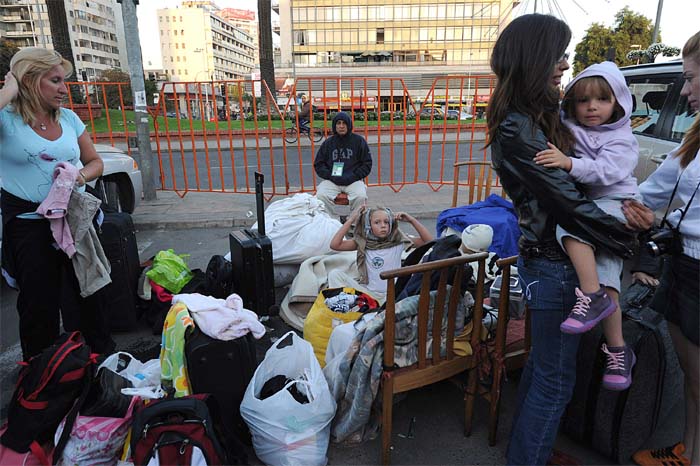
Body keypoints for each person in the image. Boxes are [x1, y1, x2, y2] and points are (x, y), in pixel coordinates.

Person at [486, 14, 637, 465]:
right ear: (534, 59)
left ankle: (529, 449)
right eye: (557, 55)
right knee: (556, 380)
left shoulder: (540, 114)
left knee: (543, 367)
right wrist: (631, 239)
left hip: (555, 256)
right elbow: (569, 201)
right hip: (553, 261)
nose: (565, 65)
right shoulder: (519, 126)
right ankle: (528, 457)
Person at [0, 47, 115, 360]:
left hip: (73, 219)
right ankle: (42, 372)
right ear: (30, 81)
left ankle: (96, 360)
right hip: (27, 225)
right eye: (55, 81)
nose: (64, 89)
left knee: (88, 291)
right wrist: (9, 90)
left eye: (64, 81)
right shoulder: (6, 120)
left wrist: (77, 176)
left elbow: (95, 162)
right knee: (39, 302)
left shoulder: (69, 118)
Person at [533, 61, 640, 390]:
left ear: (618, 102)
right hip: (596, 203)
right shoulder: (569, 124)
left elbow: (605, 172)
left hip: (618, 202)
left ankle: (590, 295)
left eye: (602, 100)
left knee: (572, 228)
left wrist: (568, 163)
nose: (592, 107)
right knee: (609, 279)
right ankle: (619, 349)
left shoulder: (622, 139)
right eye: (583, 100)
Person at [624, 30, 700, 466]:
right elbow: (646, 195)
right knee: (693, 380)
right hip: (682, 268)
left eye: (690, 78)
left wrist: (655, 219)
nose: (685, 90)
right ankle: (687, 451)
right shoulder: (693, 141)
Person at [328, 205, 433, 301]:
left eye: (386, 222)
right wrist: (351, 219)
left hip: (392, 294)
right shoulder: (362, 242)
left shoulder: (398, 241)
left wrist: (411, 220)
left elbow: (428, 241)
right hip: (369, 293)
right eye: (377, 222)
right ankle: (342, 306)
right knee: (335, 274)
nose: (383, 226)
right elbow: (335, 245)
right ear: (368, 226)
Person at [314, 112, 372, 217]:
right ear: (334, 126)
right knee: (321, 196)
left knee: (360, 196)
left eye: (344, 123)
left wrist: (354, 176)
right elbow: (319, 164)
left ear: (349, 125)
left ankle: (354, 223)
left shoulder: (359, 141)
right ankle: (331, 223)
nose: (341, 126)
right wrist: (330, 175)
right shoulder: (328, 143)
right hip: (332, 180)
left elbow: (367, 164)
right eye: (338, 123)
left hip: (353, 180)